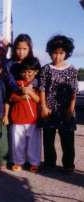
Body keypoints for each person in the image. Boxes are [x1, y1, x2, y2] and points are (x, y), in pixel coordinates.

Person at [40, 35, 78, 173]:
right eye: (55, 53)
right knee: (48, 139)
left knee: (67, 140)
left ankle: (68, 165)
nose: (57, 56)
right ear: (50, 53)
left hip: (66, 110)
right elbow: (42, 89)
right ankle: (50, 163)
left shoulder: (72, 69)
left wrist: (71, 109)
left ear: (66, 53)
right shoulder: (46, 69)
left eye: (61, 53)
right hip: (49, 110)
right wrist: (43, 107)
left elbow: (74, 91)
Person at [9, 57, 41, 173]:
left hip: (32, 120)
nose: (26, 74)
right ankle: (18, 162)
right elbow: (11, 97)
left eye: (29, 72)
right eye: (24, 72)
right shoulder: (17, 83)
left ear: (36, 72)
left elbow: (39, 100)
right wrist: (21, 96)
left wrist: (30, 92)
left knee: (34, 143)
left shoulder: (38, 85)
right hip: (18, 119)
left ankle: (34, 163)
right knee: (18, 142)